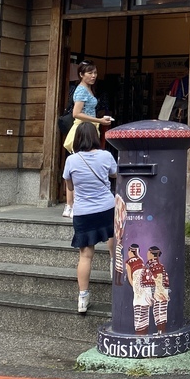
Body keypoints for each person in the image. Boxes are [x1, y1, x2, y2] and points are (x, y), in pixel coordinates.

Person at [62, 121, 118, 314]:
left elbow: (70, 187)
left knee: (85, 256)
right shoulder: (106, 155)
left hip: (83, 212)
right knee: (112, 236)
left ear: (77, 138)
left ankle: (83, 299)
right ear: (95, 137)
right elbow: (115, 174)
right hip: (106, 207)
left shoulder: (71, 160)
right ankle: (113, 264)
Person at [63, 60, 115, 217]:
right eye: (90, 73)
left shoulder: (88, 89)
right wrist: (99, 120)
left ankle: (72, 205)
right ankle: (69, 205)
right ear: (81, 75)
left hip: (90, 127)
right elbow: (76, 113)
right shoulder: (81, 91)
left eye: (95, 73)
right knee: (77, 164)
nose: (94, 76)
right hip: (83, 129)